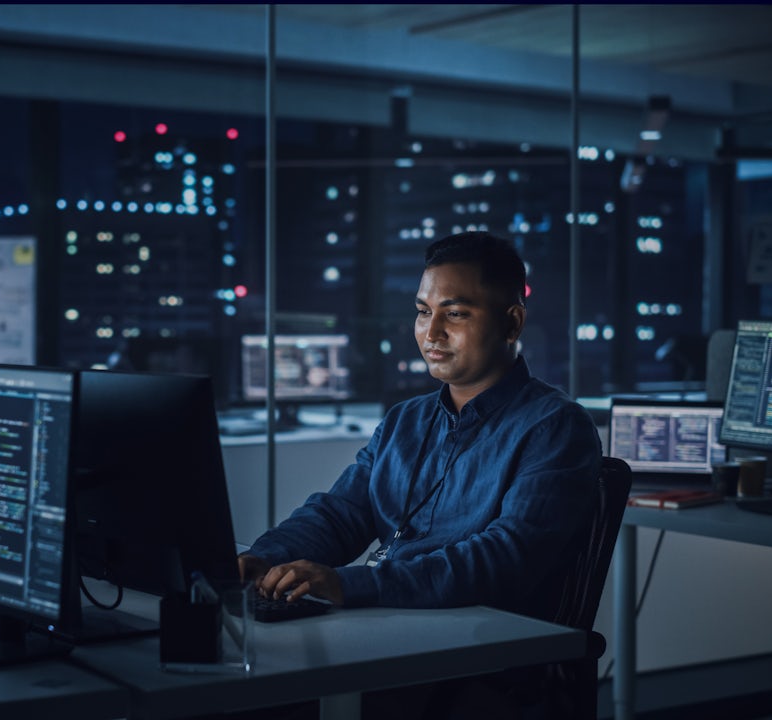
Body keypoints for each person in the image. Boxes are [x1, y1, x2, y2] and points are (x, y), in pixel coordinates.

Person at [238, 230, 602, 623]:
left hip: (480, 645)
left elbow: (505, 557)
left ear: (511, 323)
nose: (431, 334)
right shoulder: (404, 421)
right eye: (424, 311)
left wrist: (349, 585)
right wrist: (264, 559)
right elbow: (340, 514)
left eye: (455, 313)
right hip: (393, 621)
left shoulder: (555, 427)